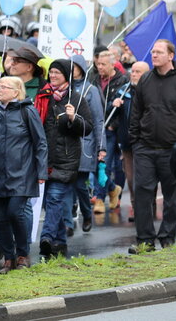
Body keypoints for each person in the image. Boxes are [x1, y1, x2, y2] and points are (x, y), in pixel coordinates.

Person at [128, 40, 176, 253]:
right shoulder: (145, 80)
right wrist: (135, 140)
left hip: (173, 148)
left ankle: (167, 238)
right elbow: (136, 112)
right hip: (145, 147)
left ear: (171, 55)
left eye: (159, 52)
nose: (154, 55)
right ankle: (144, 240)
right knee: (142, 194)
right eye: (153, 51)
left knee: (172, 197)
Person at [0, 77, 47, 273]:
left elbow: (41, 143)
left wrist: (41, 171)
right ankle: (8, 257)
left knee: (15, 213)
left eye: (4, 87)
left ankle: (23, 254)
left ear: (16, 91)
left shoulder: (27, 111)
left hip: (23, 173)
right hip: (0, 174)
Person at [39, 60, 93, 259]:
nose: (53, 76)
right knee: (51, 202)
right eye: (51, 72)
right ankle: (60, 241)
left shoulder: (77, 99)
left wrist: (73, 119)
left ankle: (46, 237)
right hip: (45, 158)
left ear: (66, 76)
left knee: (54, 198)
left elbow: (88, 127)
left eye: (57, 73)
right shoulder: (44, 97)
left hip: (67, 159)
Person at [106, 61, 149, 222]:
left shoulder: (149, 92)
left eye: (138, 72)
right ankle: (135, 205)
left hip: (145, 142)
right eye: (133, 71)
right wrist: (113, 105)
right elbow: (111, 115)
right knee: (131, 178)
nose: (134, 74)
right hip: (127, 142)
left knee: (144, 177)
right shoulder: (123, 91)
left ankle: (144, 206)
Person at [67, 55, 104, 234]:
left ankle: (86, 213)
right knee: (66, 184)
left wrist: (101, 147)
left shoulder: (91, 90)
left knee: (80, 184)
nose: (72, 69)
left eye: (76, 66)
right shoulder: (64, 88)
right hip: (66, 144)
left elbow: (98, 120)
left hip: (85, 144)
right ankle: (68, 217)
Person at [95, 50, 129, 212]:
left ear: (112, 65)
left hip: (112, 128)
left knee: (110, 164)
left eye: (103, 64)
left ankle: (101, 198)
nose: (100, 67)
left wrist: (113, 125)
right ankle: (112, 189)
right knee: (100, 163)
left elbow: (125, 107)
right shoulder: (94, 78)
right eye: (98, 64)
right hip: (97, 126)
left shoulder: (123, 80)